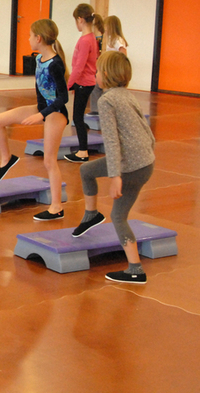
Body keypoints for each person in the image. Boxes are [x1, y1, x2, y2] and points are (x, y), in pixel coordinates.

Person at [72, 51, 154, 284]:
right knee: (86, 171)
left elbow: (111, 140)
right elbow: (145, 129)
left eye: (97, 71)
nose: (95, 74)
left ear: (105, 75)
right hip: (146, 163)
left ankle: (135, 270)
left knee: (118, 216)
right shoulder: (128, 95)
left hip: (129, 166)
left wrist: (116, 175)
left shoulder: (106, 100)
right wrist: (147, 154)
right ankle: (91, 215)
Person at [0, 19, 68, 221]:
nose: (28, 39)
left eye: (29, 35)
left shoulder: (55, 64)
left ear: (39, 38)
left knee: (49, 161)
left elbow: (63, 98)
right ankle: (7, 159)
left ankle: (56, 207)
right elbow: (39, 90)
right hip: (42, 108)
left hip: (56, 113)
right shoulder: (38, 60)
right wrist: (36, 109)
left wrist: (41, 115)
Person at [64, 3, 100, 164]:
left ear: (80, 20)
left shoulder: (85, 40)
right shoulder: (91, 38)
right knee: (78, 117)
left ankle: (83, 151)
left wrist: (68, 85)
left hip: (84, 83)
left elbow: (79, 66)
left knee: (77, 117)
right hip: (85, 82)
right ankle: (83, 142)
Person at [90, 15, 129, 116]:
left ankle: (101, 110)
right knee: (97, 86)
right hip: (108, 70)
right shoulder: (110, 40)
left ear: (111, 27)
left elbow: (123, 56)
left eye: (106, 27)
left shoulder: (117, 40)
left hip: (114, 71)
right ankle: (98, 109)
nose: (104, 29)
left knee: (103, 88)